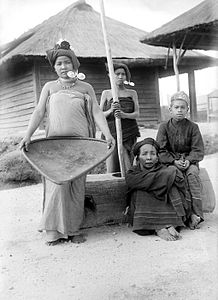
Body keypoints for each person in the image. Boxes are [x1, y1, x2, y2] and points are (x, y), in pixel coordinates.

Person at [20, 40, 114, 246]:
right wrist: (28, 134)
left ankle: (72, 230)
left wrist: (106, 134)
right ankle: (53, 232)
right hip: (54, 144)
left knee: (76, 186)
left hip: (81, 144)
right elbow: (38, 112)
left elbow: (97, 112)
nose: (63, 67)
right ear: (54, 67)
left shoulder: (86, 87)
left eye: (67, 63)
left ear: (74, 64)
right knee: (56, 184)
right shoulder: (49, 87)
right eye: (59, 64)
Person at [156, 91, 204, 230]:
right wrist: (173, 161)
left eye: (183, 107)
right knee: (174, 176)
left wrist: (189, 161)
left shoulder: (193, 127)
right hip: (171, 162)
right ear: (170, 109)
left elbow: (198, 150)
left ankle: (196, 214)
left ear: (187, 110)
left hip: (189, 161)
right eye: (176, 107)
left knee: (192, 175)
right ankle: (181, 216)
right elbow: (161, 150)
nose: (179, 110)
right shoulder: (164, 127)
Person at [125, 138, 188, 241]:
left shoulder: (164, 169)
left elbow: (177, 178)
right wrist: (162, 178)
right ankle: (158, 228)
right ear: (138, 158)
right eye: (144, 154)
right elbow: (132, 182)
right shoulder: (132, 173)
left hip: (163, 208)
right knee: (140, 191)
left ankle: (168, 224)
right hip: (140, 211)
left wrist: (162, 178)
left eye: (153, 154)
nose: (149, 158)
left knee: (171, 186)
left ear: (158, 157)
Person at [100, 63, 140, 173]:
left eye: (123, 74)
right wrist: (110, 110)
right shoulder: (106, 93)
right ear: (110, 75)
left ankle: (128, 185)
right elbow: (100, 114)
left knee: (127, 163)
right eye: (117, 74)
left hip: (128, 133)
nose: (120, 77)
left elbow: (137, 113)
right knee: (112, 164)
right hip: (111, 133)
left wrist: (124, 115)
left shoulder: (132, 93)